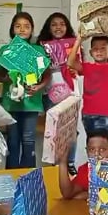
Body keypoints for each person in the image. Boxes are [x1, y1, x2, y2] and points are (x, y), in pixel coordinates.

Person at [0, 12, 51, 168]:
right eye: (18, 26)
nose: (22, 30)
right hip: (10, 103)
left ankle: (28, 177)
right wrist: (9, 79)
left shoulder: (38, 50)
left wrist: (39, 87)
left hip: (31, 103)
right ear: (12, 29)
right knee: (12, 141)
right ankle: (11, 177)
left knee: (28, 140)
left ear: (32, 30)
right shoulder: (6, 50)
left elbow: (46, 75)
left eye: (26, 26)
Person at [36, 12, 79, 172]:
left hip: (70, 92)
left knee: (70, 128)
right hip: (50, 94)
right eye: (54, 24)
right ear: (48, 27)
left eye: (62, 24)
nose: (58, 27)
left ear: (67, 27)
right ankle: (55, 165)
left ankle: (70, 163)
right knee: (53, 129)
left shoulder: (74, 45)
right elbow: (39, 71)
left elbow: (80, 66)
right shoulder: (42, 47)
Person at [67, 34, 108, 133]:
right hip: (87, 114)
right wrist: (78, 41)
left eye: (103, 48)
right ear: (90, 52)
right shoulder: (87, 67)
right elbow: (70, 62)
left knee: (101, 143)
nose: (99, 51)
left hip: (105, 114)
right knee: (91, 144)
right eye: (95, 49)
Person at [57, 128, 108, 200]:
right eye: (92, 150)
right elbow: (67, 193)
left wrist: (89, 195)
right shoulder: (85, 170)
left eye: (102, 149)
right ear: (87, 151)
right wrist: (62, 162)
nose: (96, 154)